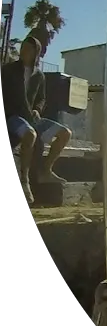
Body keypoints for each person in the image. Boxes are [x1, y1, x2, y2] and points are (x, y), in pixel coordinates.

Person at [3, 34, 72, 201]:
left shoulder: (39, 75)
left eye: (28, 49)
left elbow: (41, 98)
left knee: (65, 133)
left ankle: (46, 170)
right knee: (30, 134)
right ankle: (24, 180)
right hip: (13, 116)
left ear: (36, 52)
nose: (24, 51)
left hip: (32, 118)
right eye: (23, 48)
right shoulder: (8, 70)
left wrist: (37, 109)